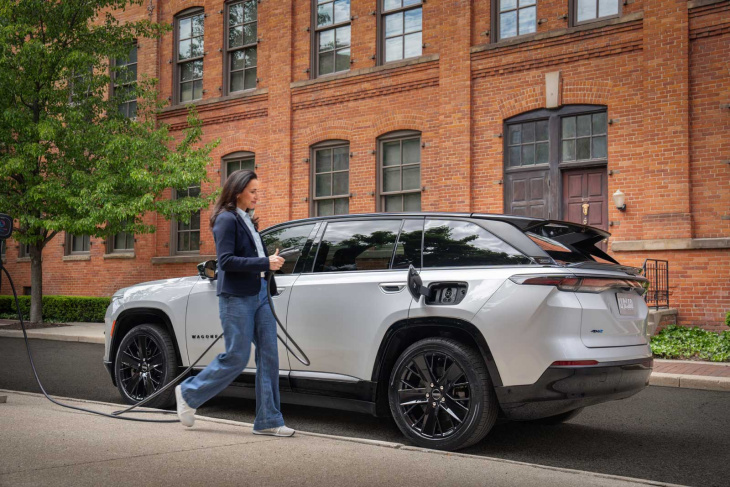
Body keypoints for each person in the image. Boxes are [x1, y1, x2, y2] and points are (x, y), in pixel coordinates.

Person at [175, 170, 294, 437]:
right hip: (237, 298)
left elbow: (250, 257)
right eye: (252, 191)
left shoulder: (248, 221)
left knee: (269, 356)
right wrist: (265, 262)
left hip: (260, 293)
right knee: (236, 357)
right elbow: (226, 262)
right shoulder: (225, 220)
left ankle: (268, 420)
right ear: (237, 191)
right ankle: (188, 393)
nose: (256, 196)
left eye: (258, 191)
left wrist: (268, 261)